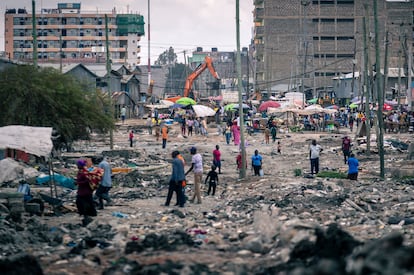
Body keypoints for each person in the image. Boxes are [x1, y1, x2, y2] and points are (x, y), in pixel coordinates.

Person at [75, 159, 97, 226]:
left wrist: (78, 182)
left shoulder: (85, 172)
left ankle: (87, 219)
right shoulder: (81, 171)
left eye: (78, 164)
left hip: (85, 192)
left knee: (83, 205)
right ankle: (86, 218)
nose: (77, 166)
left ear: (80, 165)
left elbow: (88, 181)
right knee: (82, 204)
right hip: (82, 191)